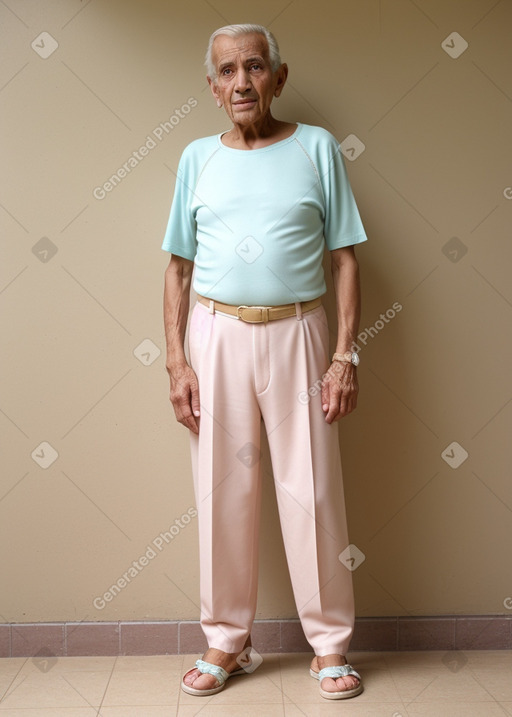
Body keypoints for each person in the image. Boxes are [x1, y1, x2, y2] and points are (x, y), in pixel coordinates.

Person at [162, 23, 367, 700]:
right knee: (223, 490)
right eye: (227, 71)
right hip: (214, 334)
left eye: (255, 67)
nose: (241, 82)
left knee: (312, 491)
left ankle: (329, 645)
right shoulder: (196, 157)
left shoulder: (317, 148)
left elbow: (344, 259)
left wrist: (344, 355)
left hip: (299, 332)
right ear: (213, 86)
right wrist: (176, 362)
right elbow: (178, 268)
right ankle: (228, 639)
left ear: (278, 77)